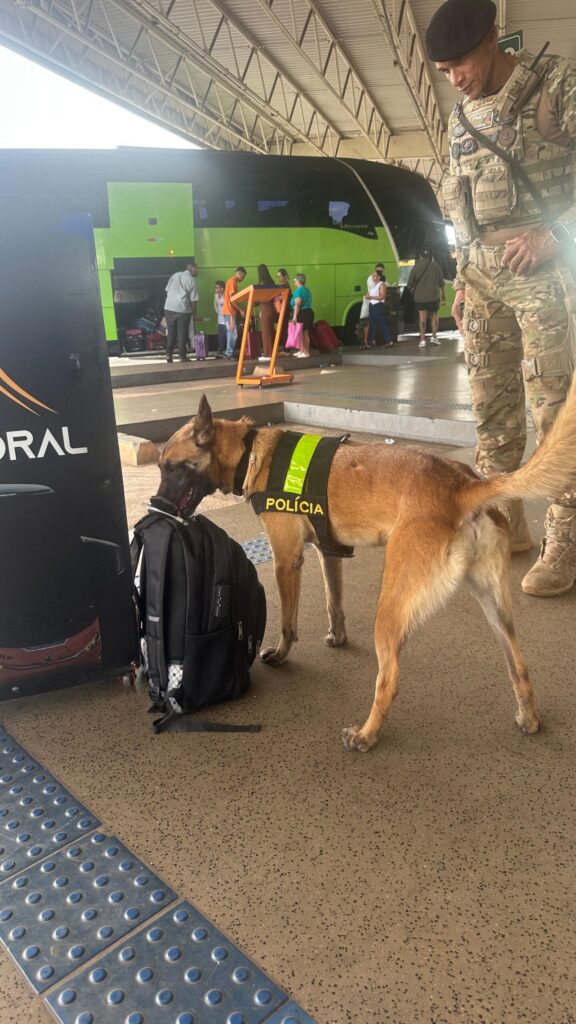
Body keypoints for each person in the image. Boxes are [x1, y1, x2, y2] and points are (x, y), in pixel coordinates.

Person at [426, 0, 576, 597]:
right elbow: (459, 211)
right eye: (445, 70)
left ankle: (562, 538)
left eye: (460, 61)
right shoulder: (461, 117)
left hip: (543, 270)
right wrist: (462, 282)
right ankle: (503, 523)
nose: (456, 77)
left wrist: (554, 233)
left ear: (493, 38)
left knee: (554, 411)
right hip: (483, 276)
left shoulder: (556, 83)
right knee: (492, 412)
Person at [407, 249, 446, 347]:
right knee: (434, 317)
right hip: (433, 296)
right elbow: (441, 283)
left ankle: (422, 340)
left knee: (422, 318)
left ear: (420, 256)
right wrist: (443, 294)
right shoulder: (436, 266)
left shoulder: (416, 267)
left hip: (420, 297)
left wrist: (413, 290)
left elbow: (409, 284)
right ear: (429, 257)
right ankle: (434, 337)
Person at [164, 261, 198, 363]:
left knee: (171, 332)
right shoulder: (192, 280)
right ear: (192, 269)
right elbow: (194, 300)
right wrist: (194, 313)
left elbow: (167, 290)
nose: (198, 272)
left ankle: (168, 355)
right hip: (183, 310)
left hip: (169, 308)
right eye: (197, 269)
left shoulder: (175, 275)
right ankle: (182, 357)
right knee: (182, 333)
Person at [222, 266, 247, 358]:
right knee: (233, 334)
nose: (243, 279)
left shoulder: (230, 282)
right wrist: (240, 310)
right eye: (243, 276)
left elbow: (226, 298)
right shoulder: (232, 282)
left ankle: (229, 352)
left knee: (230, 332)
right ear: (239, 273)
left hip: (228, 311)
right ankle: (229, 353)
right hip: (230, 312)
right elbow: (232, 299)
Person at [363, 270, 392, 348]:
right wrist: (367, 296)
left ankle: (389, 341)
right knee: (372, 324)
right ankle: (368, 343)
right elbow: (370, 295)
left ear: (379, 277)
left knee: (381, 323)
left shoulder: (381, 285)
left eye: (375, 276)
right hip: (372, 306)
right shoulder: (373, 286)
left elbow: (382, 296)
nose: (373, 277)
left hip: (377, 306)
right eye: (373, 276)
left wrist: (371, 297)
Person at [290, 273, 314, 357]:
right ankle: (303, 351)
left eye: (295, 280)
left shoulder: (299, 291)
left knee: (301, 333)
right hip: (308, 312)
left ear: (298, 281)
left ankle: (305, 352)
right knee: (304, 333)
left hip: (302, 313)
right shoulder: (307, 290)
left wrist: (295, 316)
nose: (294, 282)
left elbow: (298, 304)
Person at [256, 264, 276, 357]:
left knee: (265, 332)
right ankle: (272, 351)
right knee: (271, 330)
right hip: (272, 308)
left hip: (265, 308)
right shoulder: (272, 282)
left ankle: (268, 354)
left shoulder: (262, 283)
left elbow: (260, 298)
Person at [275, 269, 292, 349]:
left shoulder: (285, 285)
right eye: (278, 276)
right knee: (283, 328)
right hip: (285, 309)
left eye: (280, 276)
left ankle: (286, 349)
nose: (279, 278)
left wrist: (277, 297)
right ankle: (286, 348)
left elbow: (286, 296)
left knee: (284, 329)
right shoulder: (284, 285)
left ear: (284, 276)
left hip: (286, 310)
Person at [213, 280, 226, 358]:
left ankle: (229, 351)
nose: (215, 289)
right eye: (215, 288)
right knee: (221, 337)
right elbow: (216, 307)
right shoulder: (215, 296)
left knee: (228, 336)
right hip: (220, 320)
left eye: (217, 288)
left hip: (227, 320)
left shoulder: (226, 296)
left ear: (222, 289)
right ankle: (220, 351)